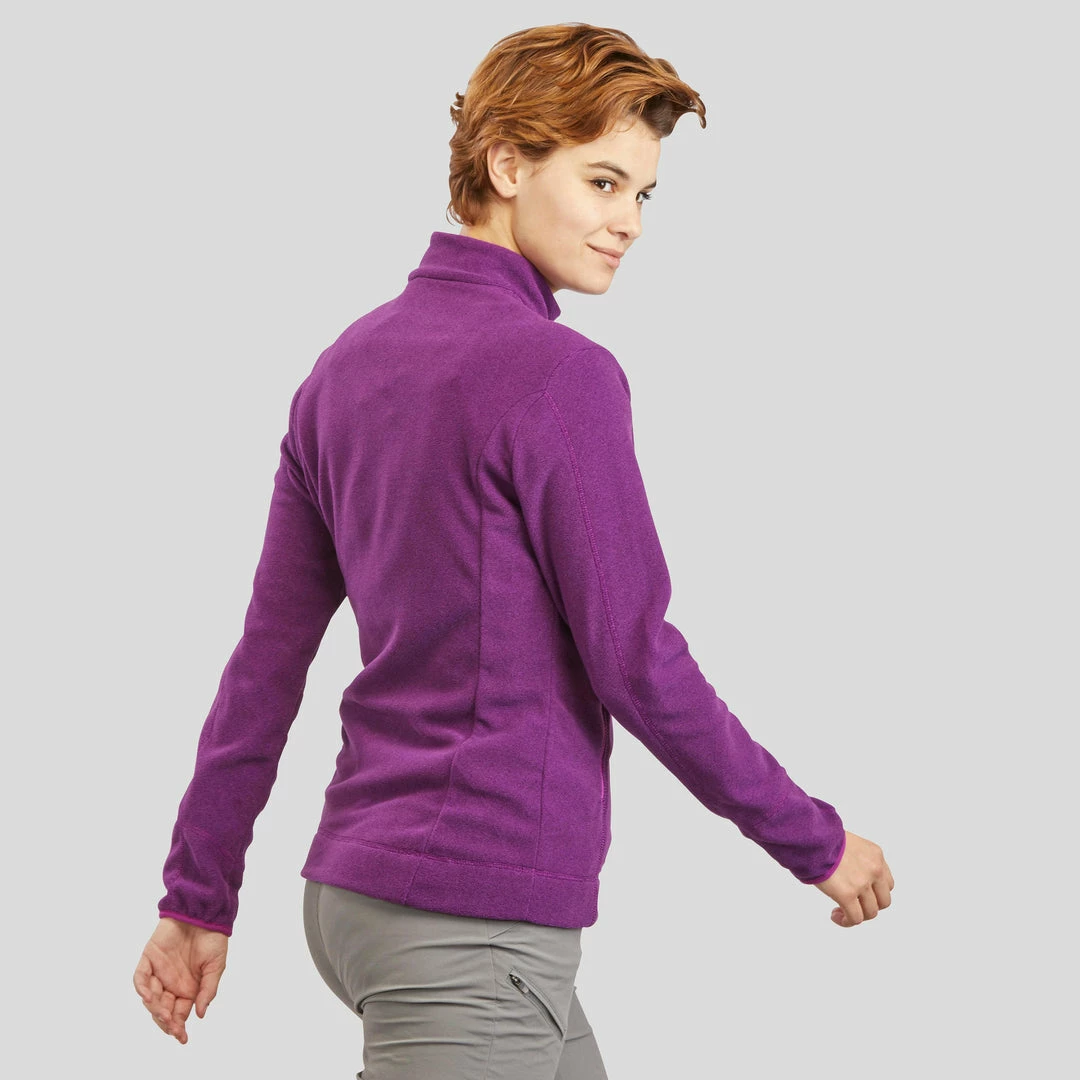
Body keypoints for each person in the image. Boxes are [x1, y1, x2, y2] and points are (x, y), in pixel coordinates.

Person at [134, 21, 894, 1078]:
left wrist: (198, 895)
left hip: (362, 897)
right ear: (505, 164)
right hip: (468, 922)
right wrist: (813, 838)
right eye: (602, 182)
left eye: (645, 194)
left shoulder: (343, 371)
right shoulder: (557, 374)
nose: (629, 222)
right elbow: (635, 657)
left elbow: (264, 667)